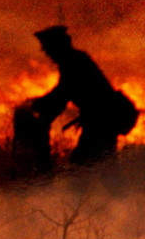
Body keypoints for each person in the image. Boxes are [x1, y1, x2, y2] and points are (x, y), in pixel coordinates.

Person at [24, 25, 137, 166]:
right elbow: (62, 93)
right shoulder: (74, 60)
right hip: (101, 120)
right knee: (102, 168)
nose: (46, 53)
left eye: (47, 48)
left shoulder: (73, 62)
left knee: (81, 167)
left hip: (101, 120)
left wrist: (38, 105)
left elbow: (62, 93)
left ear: (57, 46)